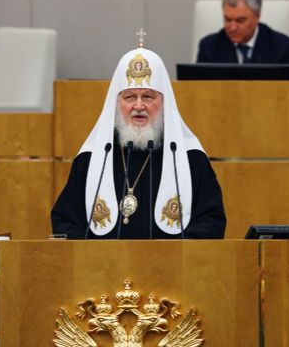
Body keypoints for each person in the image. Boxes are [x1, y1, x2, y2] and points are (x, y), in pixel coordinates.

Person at [51, 45, 226, 238]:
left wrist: (177, 254)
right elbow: (65, 222)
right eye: (130, 97)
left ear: (164, 103)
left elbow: (210, 222)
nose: (139, 105)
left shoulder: (190, 158)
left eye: (148, 97)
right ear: (117, 103)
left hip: (172, 259)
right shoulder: (93, 158)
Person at [196, 0, 289, 76]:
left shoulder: (282, 47)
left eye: (240, 20)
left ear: (257, 16)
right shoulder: (209, 47)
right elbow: (198, 87)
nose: (233, 27)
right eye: (228, 19)